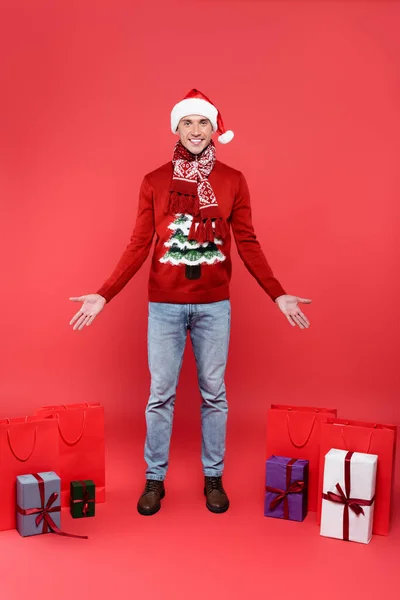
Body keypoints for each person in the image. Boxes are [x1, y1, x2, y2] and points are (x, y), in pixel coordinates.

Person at [69, 88, 312, 516]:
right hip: (163, 306)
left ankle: (213, 477)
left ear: (214, 128)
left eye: (203, 122)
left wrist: (278, 293)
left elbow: (249, 243)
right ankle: (154, 479)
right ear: (176, 128)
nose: (195, 130)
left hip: (214, 306)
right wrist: (104, 294)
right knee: (159, 394)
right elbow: (139, 245)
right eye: (187, 123)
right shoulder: (154, 181)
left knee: (214, 394)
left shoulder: (233, 180)